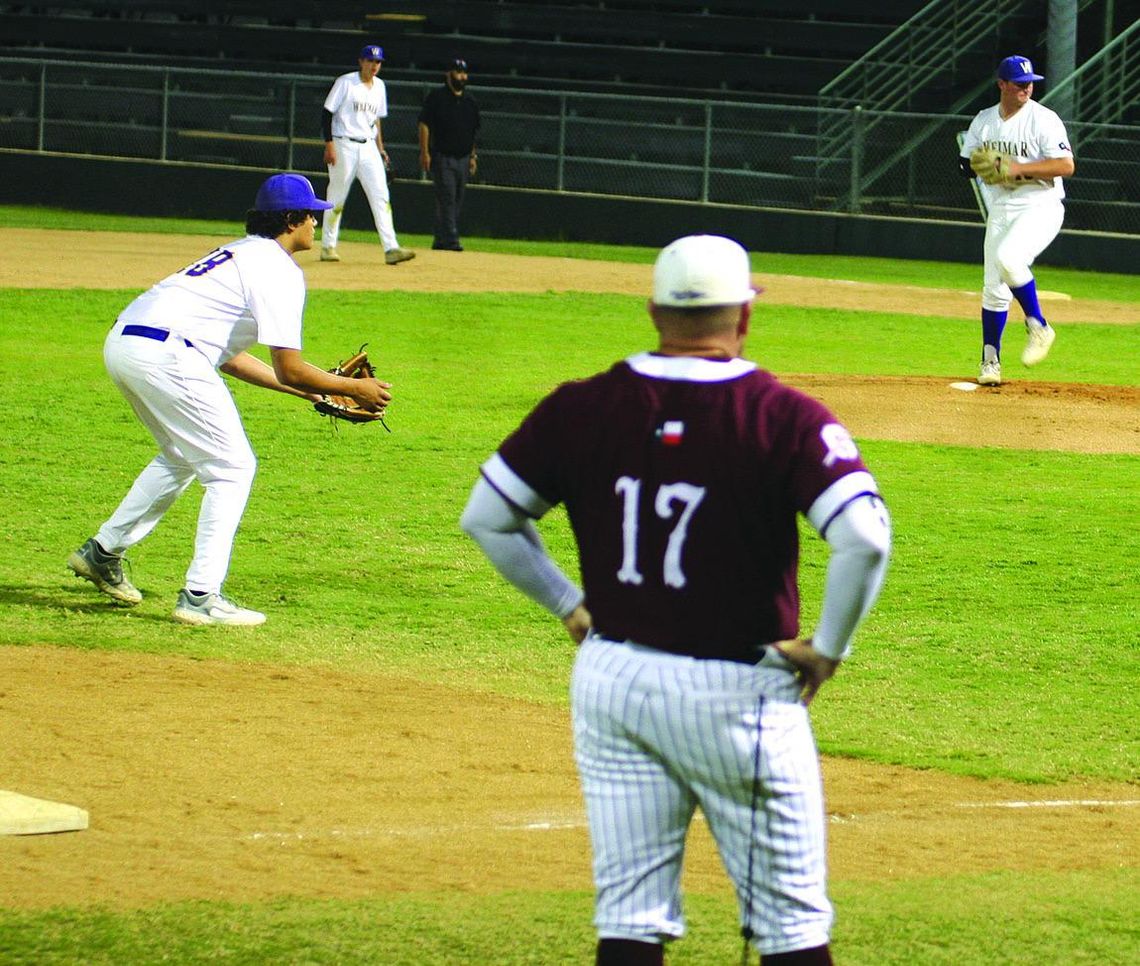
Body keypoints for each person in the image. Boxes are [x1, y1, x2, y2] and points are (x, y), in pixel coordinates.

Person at [460, 235, 891, 965]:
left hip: (612, 681)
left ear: (654, 311)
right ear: (745, 316)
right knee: (790, 924)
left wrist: (569, 602)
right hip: (738, 694)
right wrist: (829, 649)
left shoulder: (581, 405)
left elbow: (488, 517)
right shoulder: (781, 413)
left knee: (629, 918)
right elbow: (864, 540)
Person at [67, 173, 393, 626]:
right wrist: (353, 388)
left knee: (182, 454)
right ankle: (201, 596)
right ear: (291, 219)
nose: (315, 225)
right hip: (168, 354)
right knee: (233, 468)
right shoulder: (279, 270)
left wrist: (316, 390)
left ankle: (103, 552)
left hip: (126, 344)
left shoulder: (238, 254)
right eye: (311, 216)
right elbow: (289, 366)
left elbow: (231, 357)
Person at [959, 55, 1075, 386]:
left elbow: (1065, 166)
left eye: (1030, 83)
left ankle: (1038, 325)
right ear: (1001, 85)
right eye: (1018, 83)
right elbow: (965, 163)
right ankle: (990, 361)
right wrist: (982, 167)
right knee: (993, 287)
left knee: (1009, 259)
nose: (1026, 88)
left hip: (1040, 205)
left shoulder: (1044, 119)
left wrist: (1015, 169)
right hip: (1002, 208)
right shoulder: (984, 121)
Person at [320, 43, 414, 266]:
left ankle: (391, 248)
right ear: (361, 61)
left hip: (369, 145)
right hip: (344, 143)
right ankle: (328, 246)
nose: (374, 65)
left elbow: (376, 120)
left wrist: (380, 148)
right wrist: (329, 144)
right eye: (370, 60)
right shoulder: (346, 82)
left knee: (381, 195)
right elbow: (327, 113)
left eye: (378, 62)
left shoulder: (380, 86)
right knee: (337, 196)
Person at [418, 57, 481, 251]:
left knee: (456, 199)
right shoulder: (437, 98)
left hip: (463, 158)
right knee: (447, 197)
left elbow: (473, 132)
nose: (462, 76)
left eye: (463, 73)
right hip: (442, 157)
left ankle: (440, 239)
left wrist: (473, 156)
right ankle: (452, 239)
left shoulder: (470, 101)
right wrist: (425, 152)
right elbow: (424, 125)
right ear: (448, 74)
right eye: (457, 72)